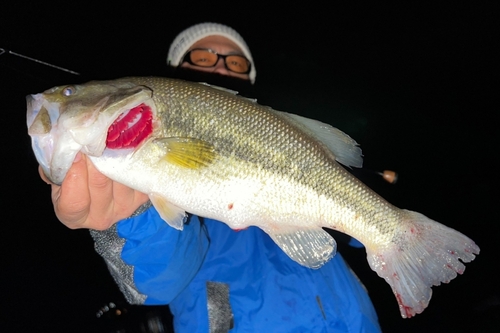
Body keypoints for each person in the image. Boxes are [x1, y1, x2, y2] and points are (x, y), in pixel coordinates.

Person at [40, 23, 381, 332]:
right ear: (175, 73)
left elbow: (351, 237)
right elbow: (157, 284)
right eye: (202, 57)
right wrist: (132, 220)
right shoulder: (140, 163)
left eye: (235, 63)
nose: (220, 67)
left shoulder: (284, 144)